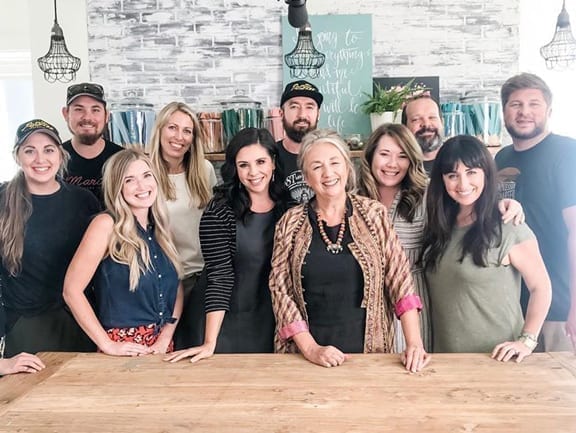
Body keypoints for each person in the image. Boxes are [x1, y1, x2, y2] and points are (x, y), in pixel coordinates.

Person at [269, 129, 430, 372]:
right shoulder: (290, 223)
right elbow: (280, 290)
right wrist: (312, 349)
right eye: (317, 166)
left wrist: (414, 343)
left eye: (335, 163)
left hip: (370, 353)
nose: (328, 173)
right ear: (306, 176)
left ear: (347, 167)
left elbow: (400, 280)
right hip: (304, 356)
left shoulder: (374, 214)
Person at [423, 135, 552, 361]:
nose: (463, 184)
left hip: (497, 361)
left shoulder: (508, 226)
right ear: (442, 180)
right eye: (453, 175)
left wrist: (527, 341)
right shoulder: (438, 229)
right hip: (445, 362)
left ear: (486, 173)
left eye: (471, 172)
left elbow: (541, 287)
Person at [165, 128, 288, 363]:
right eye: (244, 165)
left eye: (260, 161)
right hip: (220, 319)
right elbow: (219, 276)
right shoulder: (219, 211)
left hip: (268, 318)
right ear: (234, 168)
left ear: (273, 162)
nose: (253, 172)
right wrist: (210, 342)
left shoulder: (289, 207)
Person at [63, 148, 184, 356]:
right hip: (122, 349)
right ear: (117, 187)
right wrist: (108, 344)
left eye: (147, 176)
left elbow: (177, 287)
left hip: (162, 348)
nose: (142, 186)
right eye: (129, 180)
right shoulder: (105, 225)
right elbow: (71, 291)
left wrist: (165, 337)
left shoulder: (161, 228)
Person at [0, 119, 100, 357]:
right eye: (29, 151)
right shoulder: (2, 201)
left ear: (60, 154)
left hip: (80, 322)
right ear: (17, 156)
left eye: (48, 149)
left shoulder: (83, 201)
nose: (40, 159)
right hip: (26, 327)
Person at [495, 73, 576, 352]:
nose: (524, 112)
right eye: (515, 104)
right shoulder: (501, 158)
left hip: (559, 307)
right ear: (504, 112)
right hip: (513, 306)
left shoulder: (567, 153)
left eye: (534, 104)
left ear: (549, 111)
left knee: (556, 391)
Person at [148, 102, 217, 349]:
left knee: (199, 348)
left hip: (203, 278)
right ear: (160, 130)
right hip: (165, 281)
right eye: (173, 128)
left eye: (187, 131)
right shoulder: (146, 173)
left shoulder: (204, 170)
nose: (179, 137)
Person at [357, 123, 431, 352]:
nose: (392, 164)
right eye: (384, 154)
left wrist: (505, 204)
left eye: (402, 156)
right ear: (370, 157)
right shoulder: (352, 196)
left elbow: (469, 208)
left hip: (412, 297)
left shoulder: (427, 194)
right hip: (364, 300)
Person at [61, 82, 123, 205]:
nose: (87, 117)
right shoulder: (53, 159)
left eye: (95, 110)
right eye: (79, 109)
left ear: (106, 116)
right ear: (66, 114)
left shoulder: (122, 159)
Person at [276, 80, 323, 205]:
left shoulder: (328, 156)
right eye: (294, 107)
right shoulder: (268, 156)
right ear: (281, 113)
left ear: (318, 114)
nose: (302, 115)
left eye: (309, 107)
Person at [401, 94, 444, 174]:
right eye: (416, 119)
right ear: (404, 128)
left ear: (442, 122)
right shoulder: (397, 168)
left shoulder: (457, 160)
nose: (426, 124)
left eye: (432, 117)